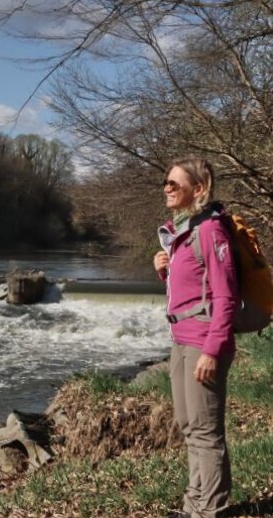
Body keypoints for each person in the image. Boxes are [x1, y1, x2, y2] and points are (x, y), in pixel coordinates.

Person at [153, 156, 237, 518]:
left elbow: (226, 296)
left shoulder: (210, 231)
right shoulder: (182, 232)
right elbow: (189, 293)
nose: (167, 188)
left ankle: (211, 510)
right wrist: (164, 272)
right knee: (189, 427)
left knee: (205, 431)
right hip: (181, 338)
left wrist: (212, 350)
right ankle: (193, 506)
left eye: (175, 183)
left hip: (203, 342)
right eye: (166, 183)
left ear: (198, 189)